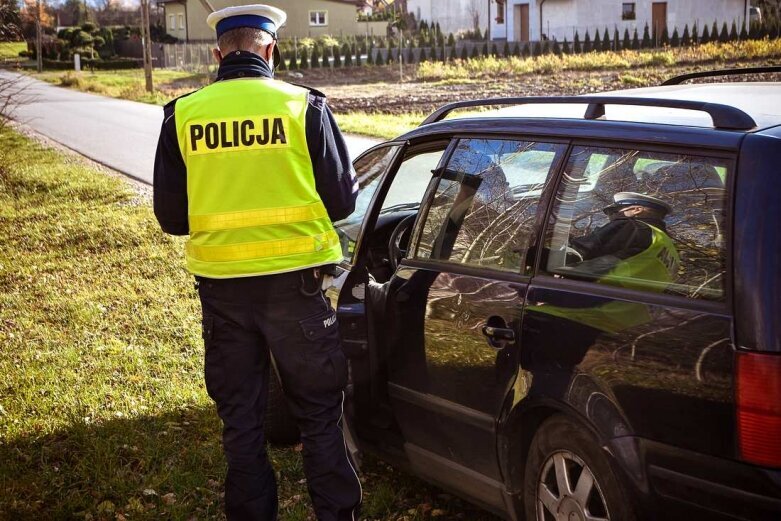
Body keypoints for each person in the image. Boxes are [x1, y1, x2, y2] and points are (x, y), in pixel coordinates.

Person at [152, 4, 361, 520]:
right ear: (271, 49)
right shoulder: (304, 107)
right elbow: (342, 202)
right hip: (298, 290)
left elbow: (173, 218)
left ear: (217, 53)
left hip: (223, 294)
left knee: (242, 424)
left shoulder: (183, 114)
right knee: (319, 417)